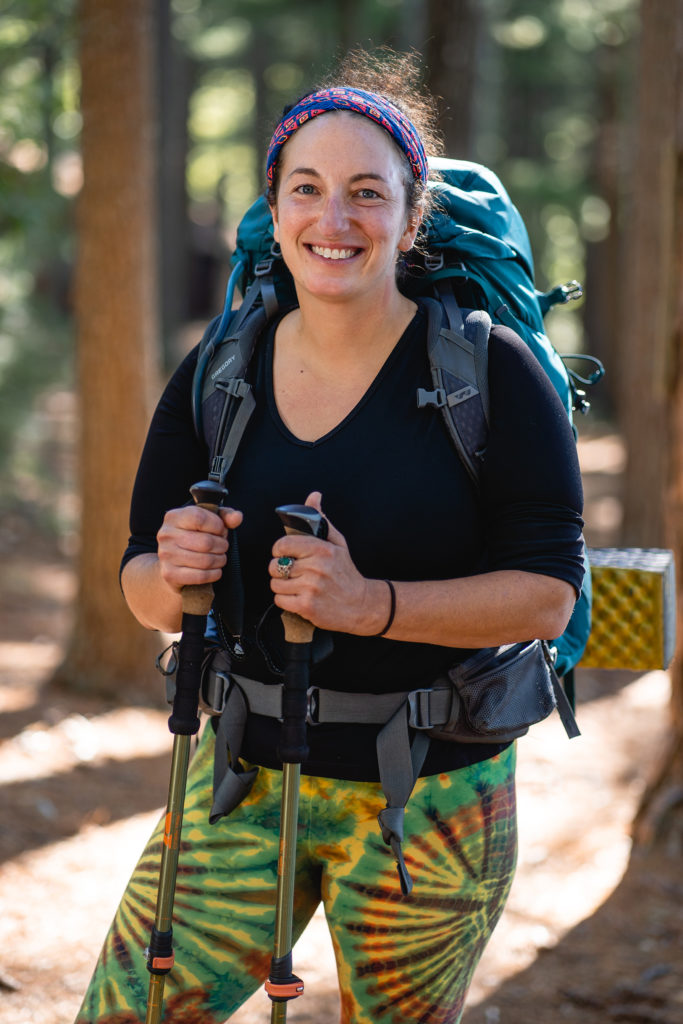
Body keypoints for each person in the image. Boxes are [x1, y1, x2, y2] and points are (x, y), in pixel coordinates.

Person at [75, 49, 584, 1024]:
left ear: (408, 211)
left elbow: (545, 591)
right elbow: (140, 584)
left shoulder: (491, 369)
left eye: (366, 193)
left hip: (431, 800)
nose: (334, 220)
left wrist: (367, 604)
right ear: (275, 205)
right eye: (306, 189)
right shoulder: (218, 367)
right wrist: (172, 571)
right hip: (234, 783)